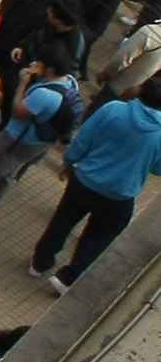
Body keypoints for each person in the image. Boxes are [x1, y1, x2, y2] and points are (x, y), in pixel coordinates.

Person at [30, 73, 161, 291]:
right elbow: (158, 168)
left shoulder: (114, 109)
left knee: (62, 220)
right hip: (119, 195)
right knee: (100, 236)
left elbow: (84, 138)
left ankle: (40, 262)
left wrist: (70, 162)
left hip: (85, 180)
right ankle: (69, 277)